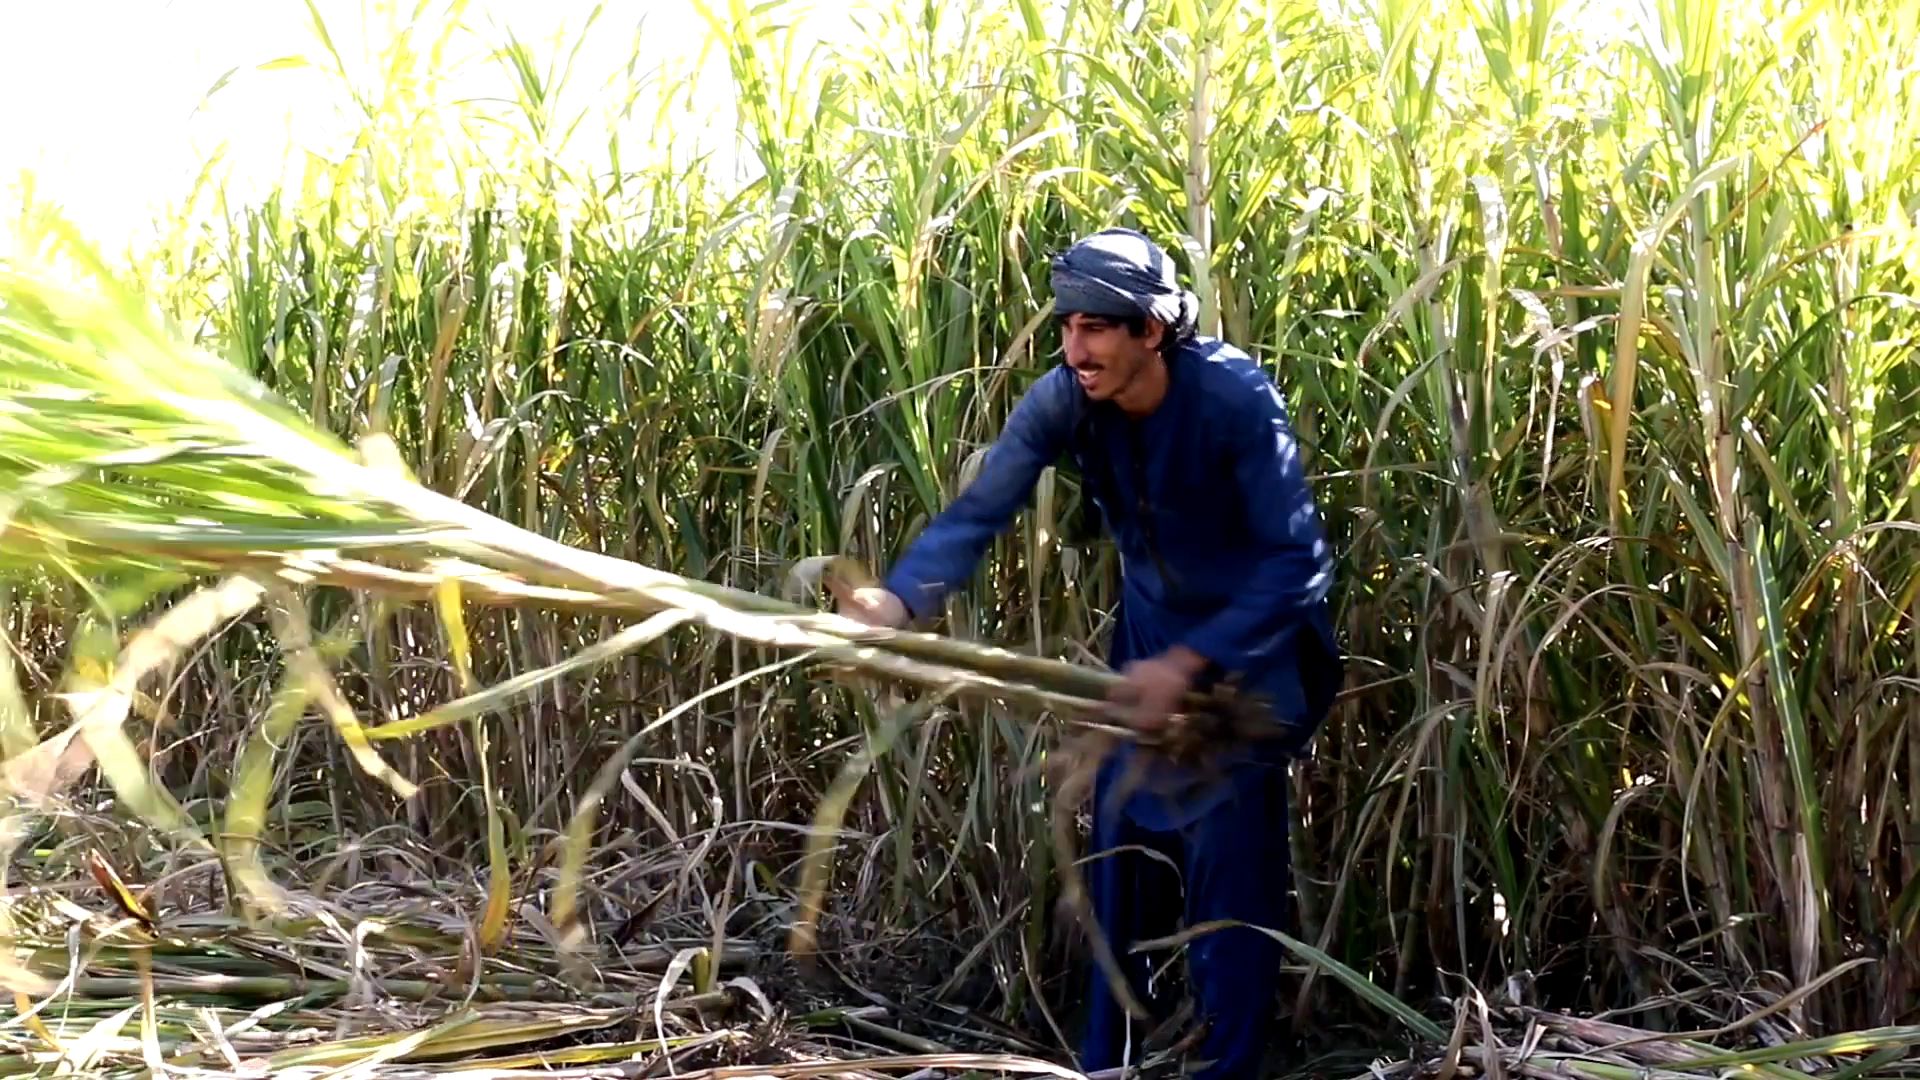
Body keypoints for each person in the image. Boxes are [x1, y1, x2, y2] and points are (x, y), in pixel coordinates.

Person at [832, 227, 1341, 1079]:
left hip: (1247, 662)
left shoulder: (1233, 398)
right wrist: (899, 600)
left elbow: (1299, 562)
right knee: (1117, 868)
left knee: (1230, 885)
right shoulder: (1066, 398)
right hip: (1147, 648)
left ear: (1153, 330)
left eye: (1096, 328)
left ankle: (1230, 1067)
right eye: (1067, 326)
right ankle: (1108, 1067)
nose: (1075, 349)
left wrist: (1190, 665)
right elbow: (979, 511)